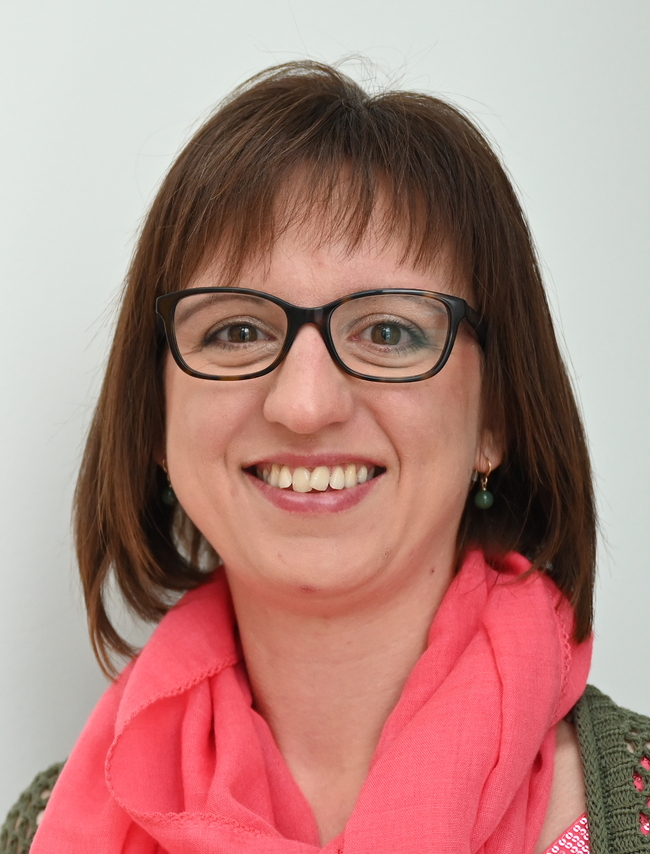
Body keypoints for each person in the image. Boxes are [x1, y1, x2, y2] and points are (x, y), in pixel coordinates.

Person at [4, 61, 650, 854]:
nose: (305, 406)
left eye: (389, 332)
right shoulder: (38, 831)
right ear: (157, 417)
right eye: (238, 331)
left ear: (497, 418)